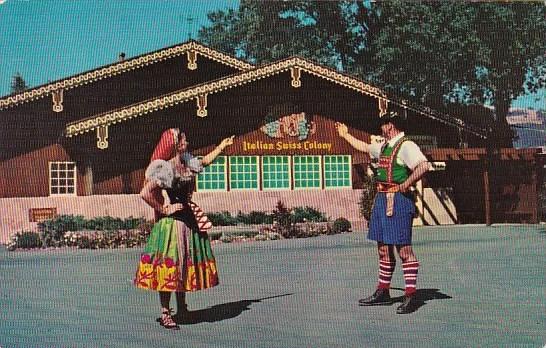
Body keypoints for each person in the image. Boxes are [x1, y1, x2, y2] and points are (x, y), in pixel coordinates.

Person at [134, 128, 234, 329]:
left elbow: (204, 161)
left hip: (188, 221)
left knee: (185, 263)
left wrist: (221, 147)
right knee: (170, 266)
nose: (187, 141)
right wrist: (164, 208)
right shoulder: (167, 169)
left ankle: (182, 307)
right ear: (177, 144)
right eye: (184, 139)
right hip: (173, 224)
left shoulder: (188, 162)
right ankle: (165, 313)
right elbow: (145, 192)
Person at [335, 111, 430, 314]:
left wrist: (405, 184)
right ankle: (383, 291)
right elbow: (365, 147)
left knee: (403, 250)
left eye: (383, 124)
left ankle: (411, 295)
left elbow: (423, 165)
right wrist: (345, 135)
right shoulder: (386, 146)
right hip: (381, 200)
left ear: (391, 125)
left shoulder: (406, 145)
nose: (381, 128)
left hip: (397, 201)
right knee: (383, 249)